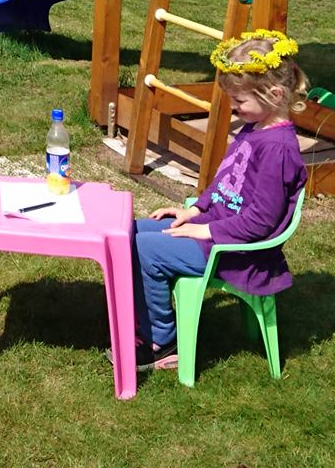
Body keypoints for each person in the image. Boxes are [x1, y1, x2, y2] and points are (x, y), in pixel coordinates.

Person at [131, 29, 309, 371]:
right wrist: (196, 209)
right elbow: (226, 179)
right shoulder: (255, 128)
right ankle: (141, 319)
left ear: (274, 95)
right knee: (131, 231)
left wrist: (206, 231)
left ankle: (162, 342)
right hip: (218, 231)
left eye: (239, 101)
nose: (234, 108)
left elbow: (261, 221)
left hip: (237, 251)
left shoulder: (278, 150)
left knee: (144, 249)